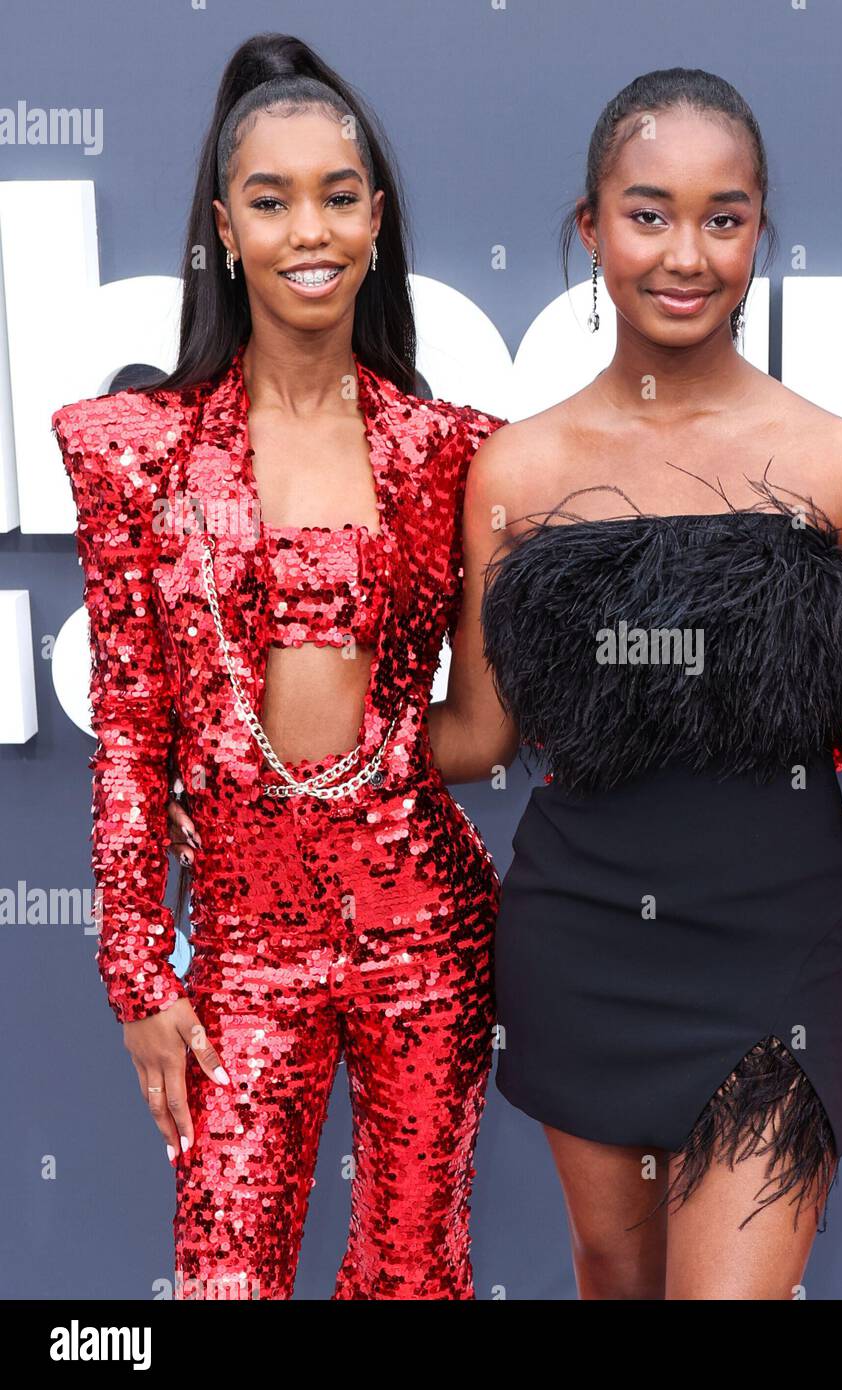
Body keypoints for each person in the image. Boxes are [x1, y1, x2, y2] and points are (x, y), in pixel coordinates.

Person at [428, 67, 842, 1300]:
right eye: (648, 214)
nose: (686, 254)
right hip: (580, 944)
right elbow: (477, 736)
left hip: (775, 954)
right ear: (590, 229)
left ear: (760, 234)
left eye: (724, 217)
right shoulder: (515, 473)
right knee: (614, 1281)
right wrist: (248, 759)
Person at [55, 33, 504, 1300]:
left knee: (415, 1268)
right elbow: (135, 725)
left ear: (375, 219)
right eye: (271, 199)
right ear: (225, 227)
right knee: (226, 1271)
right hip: (245, 942)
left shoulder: (452, 451)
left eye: (338, 195)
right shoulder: (138, 454)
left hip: (428, 930)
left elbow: (484, 722)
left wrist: (357, 784)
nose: (308, 228)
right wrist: (141, 969)